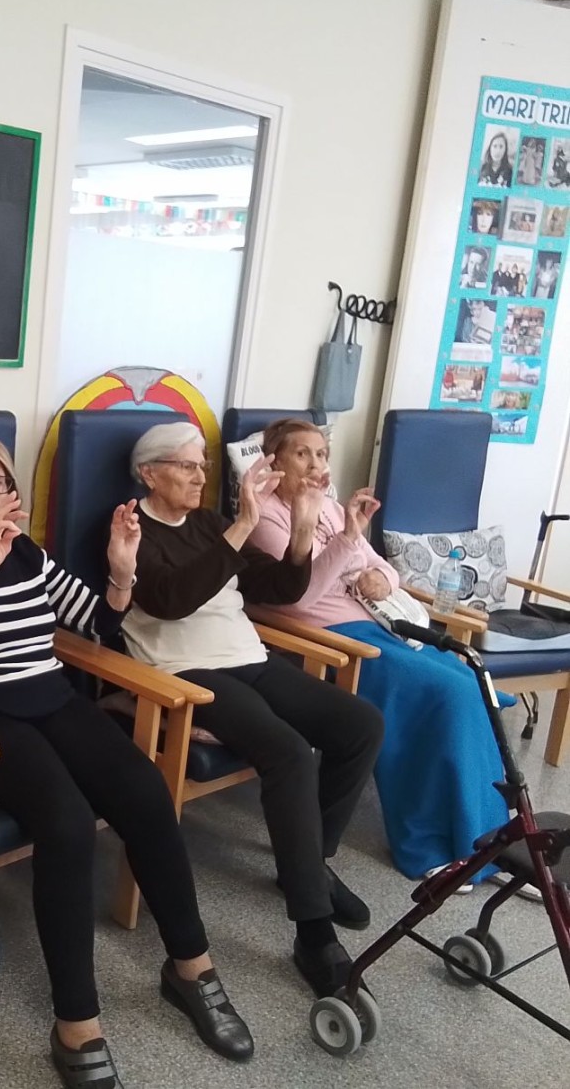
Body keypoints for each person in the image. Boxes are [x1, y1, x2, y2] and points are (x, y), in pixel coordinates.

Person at [0, 434, 255, 1084]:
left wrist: (120, 571)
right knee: (65, 824)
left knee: (145, 792)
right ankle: (77, 1022)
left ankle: (190, 967)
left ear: (13, 496)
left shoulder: (27, 552)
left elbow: (97, 622)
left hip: (52, 697)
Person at [119, 424, 383, 1001]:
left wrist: (305, 525)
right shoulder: (130, 528)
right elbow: (169, 600)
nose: (200, 476)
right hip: (186, 671)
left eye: (203, 466)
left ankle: (308, 863)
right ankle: (313, 933)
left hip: (248, 657)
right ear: (149, 474)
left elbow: (279, 587)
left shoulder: (208, 524)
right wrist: (242, 523)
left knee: (360, 726)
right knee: (289, 752)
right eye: (187, 466)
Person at [248, 418, 510, 891]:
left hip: (375, 624)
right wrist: (348, 540)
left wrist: (380, 579)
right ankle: (431, 844)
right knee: (447, 694)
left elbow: (383, 567)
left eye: (321, 454)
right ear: (275, 461)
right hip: (326, 639)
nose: (315, 464)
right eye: (302, 454)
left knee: (473, 683)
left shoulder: (330, 508)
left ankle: (492, 841)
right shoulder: (266, 516)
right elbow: (297, 598)